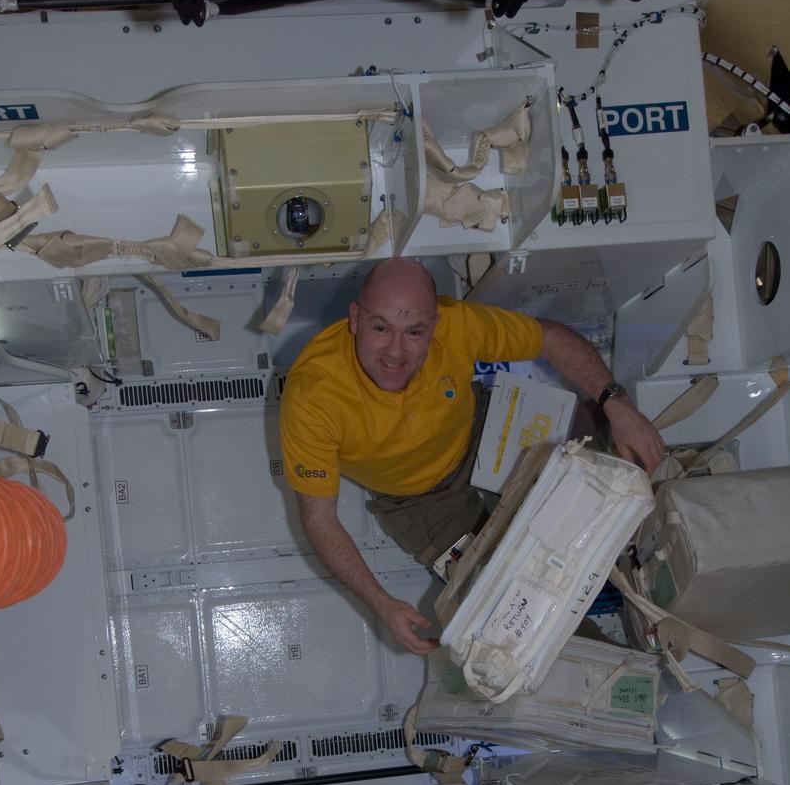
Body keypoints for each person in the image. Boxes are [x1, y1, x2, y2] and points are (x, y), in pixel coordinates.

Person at [280, 257, 665, 656]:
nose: (395, 352)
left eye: (414, 332)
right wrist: (380, 602)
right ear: (356, 319)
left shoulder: (457, 323)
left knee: (609, 451)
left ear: (434, 325)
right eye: (380, 328)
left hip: (479, 428)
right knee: (510, 604)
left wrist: (616, 404)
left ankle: (661, 556)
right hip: (418, 499)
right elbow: (320, 519)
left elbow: (547, 337)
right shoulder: (313, 395)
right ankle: (623, 669)